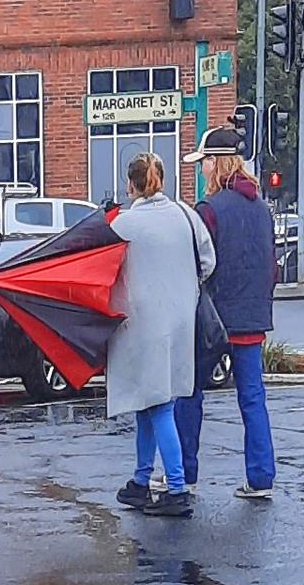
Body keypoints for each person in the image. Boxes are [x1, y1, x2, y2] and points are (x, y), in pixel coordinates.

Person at [109, 153, 215, 518]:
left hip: (140, 323)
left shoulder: (123, 224)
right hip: (180, 320)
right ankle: (140, 481)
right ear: (163, 180)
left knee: (156, 404)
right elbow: (208, 263)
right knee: (151, 401)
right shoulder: (188, 216)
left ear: (131, 184)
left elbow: (106, 270)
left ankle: (176, 486)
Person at [179, 125, 278, 499]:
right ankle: (261, 477)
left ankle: (185, 473)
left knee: (190, 393)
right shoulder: (262, 209)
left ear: (218, 163)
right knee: (252, 397)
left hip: (214, 320)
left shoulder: (209, 210)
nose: (202, 169)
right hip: (252, 317)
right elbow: (269, 264)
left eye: (204, 162)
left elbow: (198, 265)